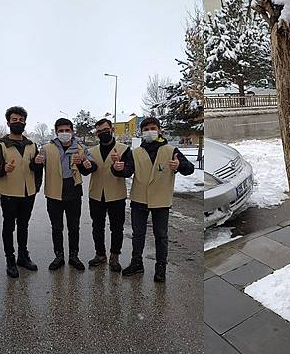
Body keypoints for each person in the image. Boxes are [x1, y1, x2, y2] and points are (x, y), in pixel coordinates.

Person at [111, 117, 195, 282]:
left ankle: (160, 267)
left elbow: (190, 169)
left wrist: (179, 166)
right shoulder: (135, 153)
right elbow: (126, 171)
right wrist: (117, 168)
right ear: (141, 133)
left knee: (161, 235)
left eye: (153, 128)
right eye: (146, 129)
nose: (150, 131)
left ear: (159, 130)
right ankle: (137, 263)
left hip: (161, 200)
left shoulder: (171, 150)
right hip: (139, 199)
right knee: (138, 234)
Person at [0, 106, 43, 278]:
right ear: (8, 122)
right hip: (9, 194)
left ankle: (22, 256)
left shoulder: (31, 144)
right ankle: (10, 259)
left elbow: (36, 168)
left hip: (29, 193)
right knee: (8, 226)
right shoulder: (0, 144)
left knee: (24, 225)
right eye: (14, 120)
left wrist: (36, 187)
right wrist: (3, 168)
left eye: (21, 120)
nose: (18, 123)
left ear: (25, 122)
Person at [41, 118, 95, 271]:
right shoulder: (47, 148)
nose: (64, 133)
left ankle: (73, 256)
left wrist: (85, 163)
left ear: (72, 131)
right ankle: (58, 256)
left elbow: (88, 169)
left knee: (74, 226)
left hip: (73, 192)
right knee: (56, 227)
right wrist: (37, 162)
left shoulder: (80, 148)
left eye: (67, 130)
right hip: (53, 193)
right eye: (61, 131)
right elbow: (36, 166)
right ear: (56, 132)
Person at [87, 119, 130, 272]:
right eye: (99, 131)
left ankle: (114, 256)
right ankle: (100, 254)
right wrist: (83, 165)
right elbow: (87, 170)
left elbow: (128, 171)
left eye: (105, 130)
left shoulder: (124, 149)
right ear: (97, 133)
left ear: (111, 129)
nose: (103, 133)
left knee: (116, 228)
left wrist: (119, 168)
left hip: (116, 195)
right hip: (96, 194)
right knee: (97, 226)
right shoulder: (91, 151)